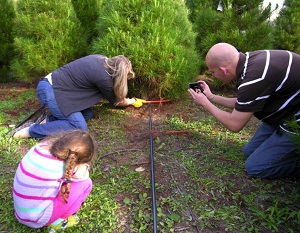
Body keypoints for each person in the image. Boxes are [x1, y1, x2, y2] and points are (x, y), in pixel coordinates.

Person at [188, 42, 300, 179]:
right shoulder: (249, 62)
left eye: (213, 72)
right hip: (285, 112)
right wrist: (211, 97)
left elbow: (234, 125)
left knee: (255, 167)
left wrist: (205, 104)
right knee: (249, 151)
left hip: (295, 122)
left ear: (224, 70)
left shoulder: (254, 78)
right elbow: (243, 102)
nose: (213, 76)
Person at [12, 54, 145, 139]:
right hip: (51, 92)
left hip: (55, 88)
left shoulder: (100, 59)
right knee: (79, 127)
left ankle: (49, 120)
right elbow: (118, 102)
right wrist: (133, 101)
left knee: (87, 115)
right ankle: (32, 131)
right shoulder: (104, 79)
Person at [13, 130, 96, 232]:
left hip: (21, 212)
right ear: (78, 161)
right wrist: (82, 167)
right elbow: (82, 176)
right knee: (86, 184)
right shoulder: (63, 166)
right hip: (36, 218)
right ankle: (59, 222)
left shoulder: (40, 147)